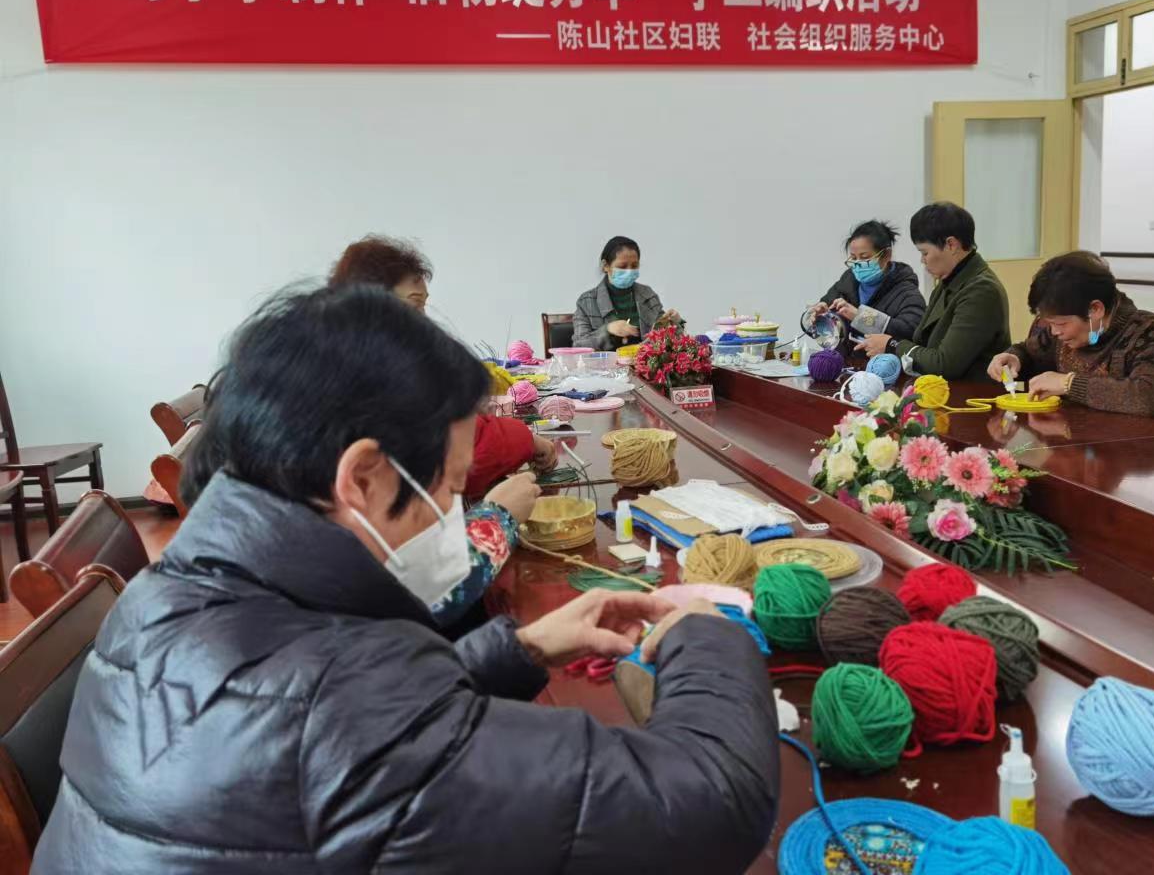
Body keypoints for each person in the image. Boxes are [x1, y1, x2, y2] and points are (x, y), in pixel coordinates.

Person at [33, 286, 780, 875]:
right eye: (450, 489)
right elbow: (711, 804)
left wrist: (517, 650)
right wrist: (705, 631)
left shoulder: (167, 593)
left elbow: (310, 715)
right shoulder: (351, 722)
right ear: (362, 477)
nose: (456, 516)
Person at [329, 234, 558, 497]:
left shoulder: (359, 360)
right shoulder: (376, 375)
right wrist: (498, 514)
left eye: (423, 305)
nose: (424, 321)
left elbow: (456, 425)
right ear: (369, 304)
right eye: (415, 304)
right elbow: (459, 454)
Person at [988, 251, 1154, 423]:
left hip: (1146, 449)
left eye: (1060, 324)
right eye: (1049, 323)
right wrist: (1014, 358)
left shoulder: (1151, 333)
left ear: (1095, 309)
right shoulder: (1062, 333)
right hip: (1080, 441)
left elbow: (1147, 400)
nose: (1054, 332)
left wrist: (1069, 384)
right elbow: (1029, 352)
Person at [856, 202, 1011, 382]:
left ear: (951, 245)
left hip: (975, 395)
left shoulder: (981, 291)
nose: (922, 260)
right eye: (853, 258)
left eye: (925, 253)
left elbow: (946, 364)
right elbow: (921, 343)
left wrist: (891, 344)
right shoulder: (948, 281)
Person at [808, 219, 926, 345]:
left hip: (882, 358)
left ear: (886, 255)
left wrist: (860, 317)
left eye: (865, 257)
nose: (858, 264)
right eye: (854, 258)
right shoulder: (848, 281)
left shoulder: (906, 292)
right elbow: (818, 324)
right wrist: (815, 316)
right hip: (844, 357)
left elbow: (911, 333)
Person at [573, 236, 679, 350]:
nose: (629, 271)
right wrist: (608, 330)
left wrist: (675, 323)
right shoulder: (587, 302)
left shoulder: (647, 295)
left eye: (634, 266)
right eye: (622, 266)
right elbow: (579, 344)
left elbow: (667, 340)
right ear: (606, 266)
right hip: (607, 361)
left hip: (643, 360)